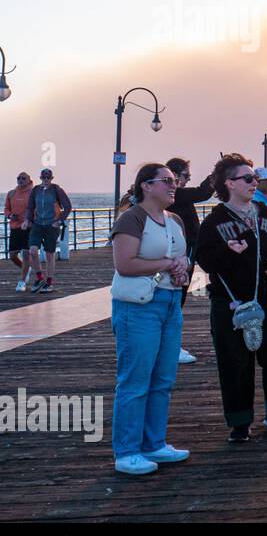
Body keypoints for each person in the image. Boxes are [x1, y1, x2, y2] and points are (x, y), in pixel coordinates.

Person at [193, 153, 267, 441]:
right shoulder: (213, 222)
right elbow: (204, 260)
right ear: (230, 183)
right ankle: (239, 422)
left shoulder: (266, 214)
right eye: (249, 178)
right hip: (229, 303)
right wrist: (229, 251)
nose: (256, 183)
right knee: (235, 362)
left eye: (255, 178)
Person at [108, 163, 191, 475]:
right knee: (135, 379)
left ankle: (154, 442)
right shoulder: (132, 219)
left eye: (176, 180)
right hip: (139, 307)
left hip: (170, 303)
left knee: (163, 379)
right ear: (146, 186)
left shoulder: (175, 220)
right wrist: (170, 263)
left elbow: (178, 255)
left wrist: (181, 265)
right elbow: (125, 264)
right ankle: (127, 451)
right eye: (166, 181)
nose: (174, 185)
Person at [166, 156, 214, 365]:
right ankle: (170, 348)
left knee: (176, 298)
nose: (187, 180)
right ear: (174, 175)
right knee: (176, 298)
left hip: (183, 253)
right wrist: (215, 176)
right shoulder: (175, 194)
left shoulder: (174, 195)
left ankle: (168, 346)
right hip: (181, 255)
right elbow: (202, 193)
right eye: (185, 176)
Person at [24, 168, 73, 294]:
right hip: (38, 224)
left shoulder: (57, 190)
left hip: (52, 225)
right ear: (40, 178)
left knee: (49, 255)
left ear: (52, 178)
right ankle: (40, 278)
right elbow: (30, 207)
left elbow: (68, 207)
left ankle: (49, 283)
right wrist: (27, 220)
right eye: (44, 177)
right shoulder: (35, 190)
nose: (46, 180)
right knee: (33, 251)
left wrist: (59, 221)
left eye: (48, 178)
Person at [5, 171, 34, 291]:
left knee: (26, 254)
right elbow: (6, 209)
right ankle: (26, 269)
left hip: (28, 227)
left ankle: (22, 282)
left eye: (23, 178)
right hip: (15, 227)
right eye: (18, 178)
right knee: (12, 255)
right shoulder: (11, 193)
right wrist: (10, 215)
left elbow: (37, 207)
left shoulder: (33, 193)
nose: (20, 180)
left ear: (28, 180)